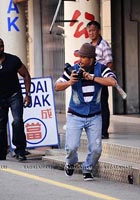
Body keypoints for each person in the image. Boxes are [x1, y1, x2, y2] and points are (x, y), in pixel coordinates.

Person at [55, 43, 117, 181]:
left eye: (83, 57)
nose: (80, 59)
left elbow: (112, 82)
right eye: (79, 56)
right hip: (75, 115)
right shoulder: (73, 70)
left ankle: (88, 169)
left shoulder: (101, 68)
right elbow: (57, 86)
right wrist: (69, 82)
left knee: (96, 149)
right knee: (71, 147)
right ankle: (70, 163)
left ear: (91, 59)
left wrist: (92, 77)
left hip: (95, 116)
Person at [0, 37, 32, 161]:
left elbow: (26, 75)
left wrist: (27, 94)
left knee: (17, 121)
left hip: (15, 95)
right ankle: (0, 152)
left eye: (1, 46)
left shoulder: (13, 60)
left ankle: (20, 151)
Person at [87, 21, 113, 139]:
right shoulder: (89, 46)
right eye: (89, 31)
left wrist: (104, 77)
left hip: (101, 80)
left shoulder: (104, 45)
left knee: (102, 104)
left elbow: (110, 64)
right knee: (94, 104)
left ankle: (104, 131)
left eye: (93, 30)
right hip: (91, 80)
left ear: (98, 31)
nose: (91, 33)